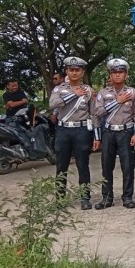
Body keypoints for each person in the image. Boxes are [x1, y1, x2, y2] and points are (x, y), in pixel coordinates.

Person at [49, 56, 100, 209]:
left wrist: (97, 136)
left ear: (82, 72)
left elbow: (94, 114)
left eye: (77, 70)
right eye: (71, 70)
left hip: (81, 130)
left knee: (83, 165)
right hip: (63, 129)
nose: (74, 73)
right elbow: (52, 104)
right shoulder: (59, 89)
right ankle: (60, 198)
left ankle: (85, 198)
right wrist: (73, 94)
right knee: (61, 165)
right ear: (67, 71)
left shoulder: (89, 91)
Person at [94, 59, 135, 209]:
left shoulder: (132, 92)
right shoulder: (103, 93)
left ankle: (127, 197)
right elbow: (98, 112)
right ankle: (107, 197)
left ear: (126, 75)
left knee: (127, 166)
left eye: (121, 72)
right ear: (110, 75)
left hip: (126, 132)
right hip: (108, 132)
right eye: (114, 72)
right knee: (106, 166)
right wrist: (117, 102)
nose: (117, 75)